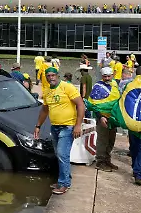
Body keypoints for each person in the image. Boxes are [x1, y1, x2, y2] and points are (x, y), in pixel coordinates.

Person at [34, 67, 85, 195]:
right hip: (55, 127)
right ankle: (64, 179)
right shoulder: (46, 91)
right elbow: (45, 110)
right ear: (45, 77)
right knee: (59, 155)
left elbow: (80, 105)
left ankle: (64, 184)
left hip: (68, 127)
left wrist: (78, 125)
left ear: (57, 75)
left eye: (53, 75)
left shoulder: (67, 87)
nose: (51, 78)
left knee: (63, 154)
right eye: (48, 76)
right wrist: (38, 125)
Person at [91, 67, 120, 172]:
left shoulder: (115, 85)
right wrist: (100, 117)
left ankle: (107, 160)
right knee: (102, 140)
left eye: (109, 76)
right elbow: (93, 104)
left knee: (111, 140)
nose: (107, 78)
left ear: (112, 75)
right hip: (103, 117)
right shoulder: (98, 87)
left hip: (113, 117)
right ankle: (100, 161)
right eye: (105, 76)